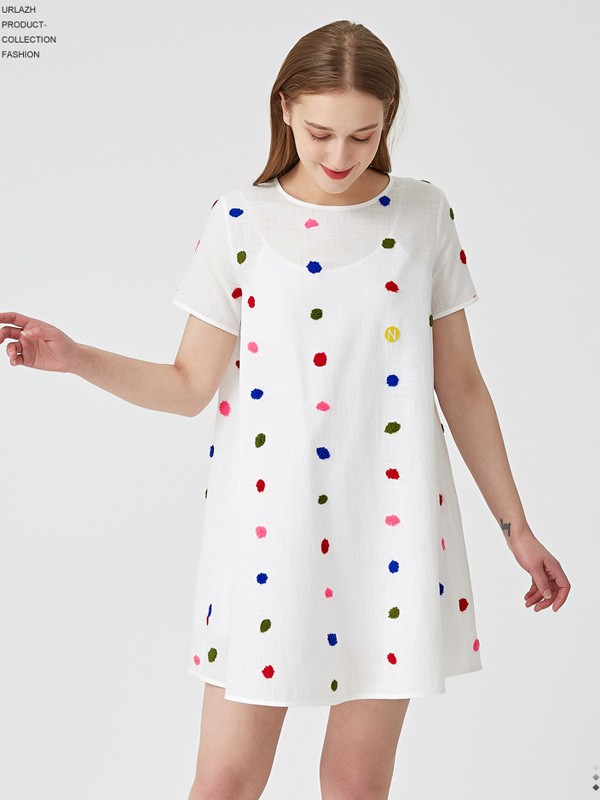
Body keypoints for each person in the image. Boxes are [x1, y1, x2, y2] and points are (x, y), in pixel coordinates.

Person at [1, 18, 571, 800]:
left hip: (392, 529)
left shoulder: (422, 215)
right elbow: (189, 386)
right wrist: (76, 358)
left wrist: (517, 527)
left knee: (356, 783)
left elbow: (462, 385)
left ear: (388, 121)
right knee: (225, 782)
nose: (340, 156)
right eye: (320, 133)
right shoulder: (240, 219)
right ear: (285, 111)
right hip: (268, 534)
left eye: (363, 136)